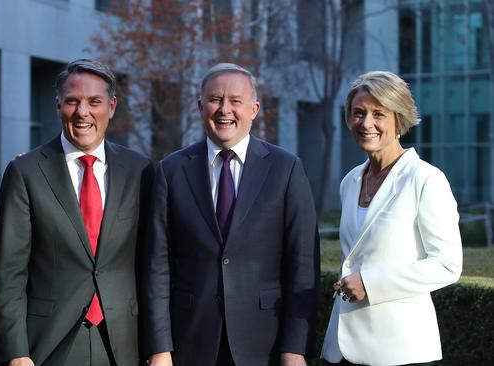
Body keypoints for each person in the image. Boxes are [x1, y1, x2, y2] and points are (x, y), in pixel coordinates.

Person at [142, 63, 320, 366]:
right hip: (189, 341)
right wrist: (159, 348)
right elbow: (157, 266)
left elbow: (302, 264)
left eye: (235, 101)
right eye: (215, 99)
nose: (225, 110)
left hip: (265, 343)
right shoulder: (171, 170)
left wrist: (295, 348)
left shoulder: (285, 169)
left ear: (254, 108)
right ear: (200, 106)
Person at [0, 59, 154, 366]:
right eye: (72, 101)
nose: (83, 112)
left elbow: (153, 264)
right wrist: (16, 352)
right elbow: (9, 272)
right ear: (58, 106)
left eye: (94, 102)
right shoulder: (25, 172)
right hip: (50, 340)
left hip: (124, 341)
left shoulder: (140, 171)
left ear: (112, 106)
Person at [321, 71, 463, 366]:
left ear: (399, 120)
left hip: (401, 350)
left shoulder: (426, 179)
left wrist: (370, 283)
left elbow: (447, 265)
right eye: (358, 113)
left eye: (378, 114)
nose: (366, 123)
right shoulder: (350, 181)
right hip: (343, 348)